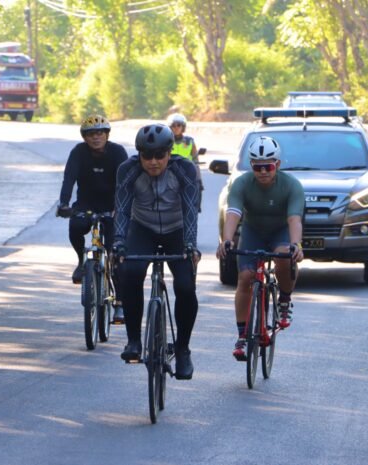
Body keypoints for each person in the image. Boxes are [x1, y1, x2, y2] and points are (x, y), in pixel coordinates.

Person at [113, 124, 201, 380]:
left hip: (177, 230)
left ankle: (183, 350)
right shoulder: (127, 170)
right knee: (130, 272)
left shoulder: (184, 169)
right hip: (143, 228)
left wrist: (190, 244)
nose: (153, 162)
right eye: (147, 156)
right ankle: (133, 341)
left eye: (159, 156)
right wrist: (119, 242)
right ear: (139, 154)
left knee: (185, 286)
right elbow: (122, 207)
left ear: (169, 152)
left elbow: (190, 211)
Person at [215, 136, 304, 361]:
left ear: (278, 165)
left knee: (285, 255)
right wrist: (226, 240)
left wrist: (297, 245)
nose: (263, 171)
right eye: (257, 167)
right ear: (252, 166)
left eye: (268, 166)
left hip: (280, 232)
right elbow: (233, 212)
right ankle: (243, 336)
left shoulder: (291, 185)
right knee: (245, 277)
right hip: (253, 232)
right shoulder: (242, 183)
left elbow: (294, 219)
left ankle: (284, 299)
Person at [56, 115, 128, 322]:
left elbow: (125, 182)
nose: (96, 137)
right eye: (91, 134)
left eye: (100, 133)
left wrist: (120, 208)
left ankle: (120, 303)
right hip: (86, 203)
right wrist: (63, 203)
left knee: (116, 253)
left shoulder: (117, 152)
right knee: (75, 226)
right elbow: (69, 178)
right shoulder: (78, 152)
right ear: (85, 137)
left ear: (107, 135)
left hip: (113, 205)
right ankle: (81, 260)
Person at [167, 113, 204, 211]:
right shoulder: (166, 140)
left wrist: (198, 178)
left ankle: (195, 207)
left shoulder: (189, 141)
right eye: (173, 125)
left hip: (187, 172)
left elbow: (195, 160)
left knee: (197, 186)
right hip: (169, 172)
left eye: (178, 125)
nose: (176, 128)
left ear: (183, 127)